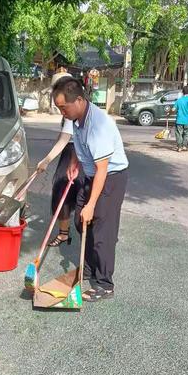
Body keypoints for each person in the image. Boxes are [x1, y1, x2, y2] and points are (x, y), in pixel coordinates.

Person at [51, 77, 128, 302]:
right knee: (80, 221)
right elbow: (78, 142)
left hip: (110, 178)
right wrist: (75, 162)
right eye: (59, 108)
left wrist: (92, 204)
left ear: (79, 100)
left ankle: (104, 284)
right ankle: (88, 268)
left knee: (102, 231)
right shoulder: (76, 119)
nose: (61, 112)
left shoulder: (98, 125)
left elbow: (103, 169)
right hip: (90, 174)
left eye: (63, 107)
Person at [37, 72, 84, 246]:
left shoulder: (72, 109)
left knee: (63, 188)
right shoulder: (72, 107)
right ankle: (65, 234)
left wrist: (46, 160)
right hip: (72, 152)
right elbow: (62, 136)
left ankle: (80, 238)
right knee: (63, 192)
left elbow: (65, 140)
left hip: (77, 153)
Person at [173, 85, 188, 152]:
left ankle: (179, 147)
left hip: (179, 120)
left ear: (182, 92)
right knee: (186, 134)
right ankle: (184, 146)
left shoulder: (179, 100)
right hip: (187, 120)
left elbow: (173, 109)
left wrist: (171, 112)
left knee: (179, 134)